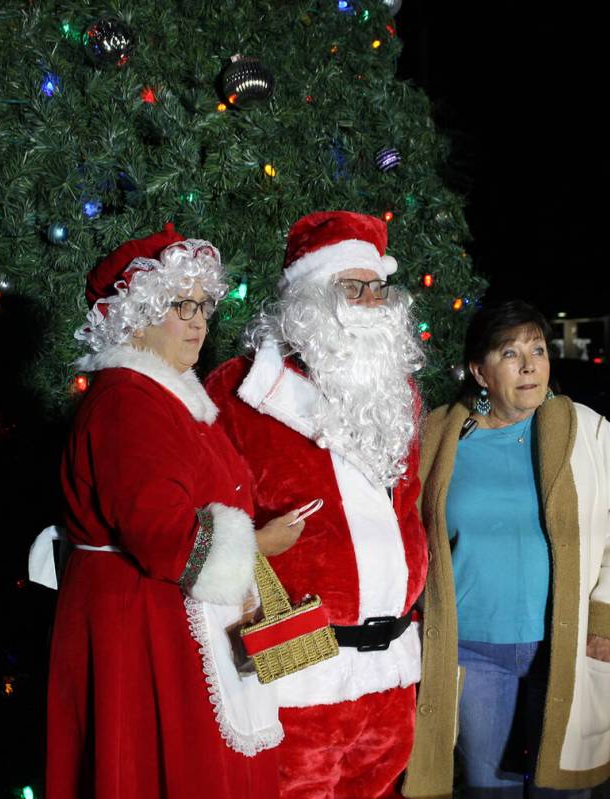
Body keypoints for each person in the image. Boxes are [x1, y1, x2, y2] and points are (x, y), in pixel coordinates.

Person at [41, 223, 306, 799]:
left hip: (174, 615)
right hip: (143, 622)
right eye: (178, 305)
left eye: (203, 305)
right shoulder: (128, 402)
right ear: (136, 314)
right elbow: (162, 535)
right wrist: (258, 545)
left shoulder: (168, 395)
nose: (198, 320)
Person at [206, 210, 429, 799]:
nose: (368, 302)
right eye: (350, 287)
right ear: (307, 295)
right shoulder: (240, 390)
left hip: (393, 672)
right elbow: (200, 518)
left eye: (376, 287)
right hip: (301, 673)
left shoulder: (396, 392)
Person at [402, 300, 610, 799]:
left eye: (538, 349)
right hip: (473, 652)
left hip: (564, 647)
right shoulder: (439, 437)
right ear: (480, 371)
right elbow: (408, 533)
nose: (530, 364)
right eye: (510, 352)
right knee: (488, 788)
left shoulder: (590, 433)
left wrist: (607, 625)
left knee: (561, 788)